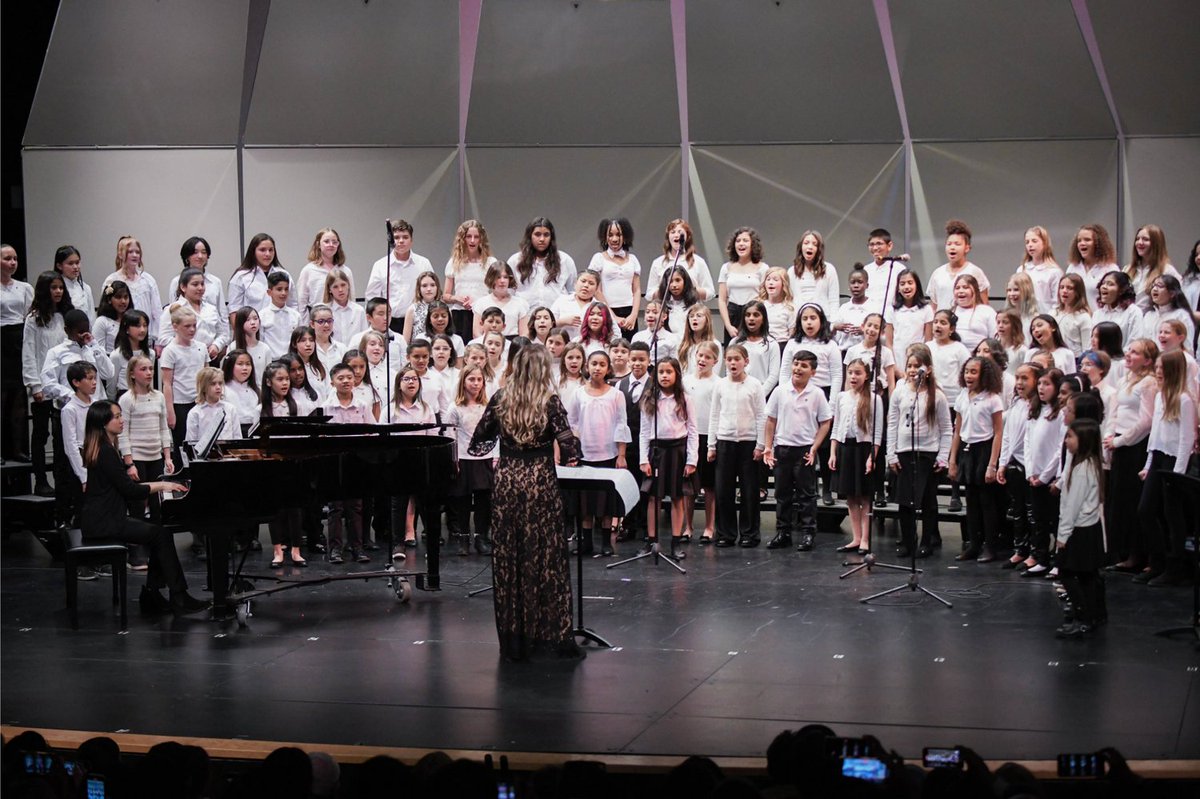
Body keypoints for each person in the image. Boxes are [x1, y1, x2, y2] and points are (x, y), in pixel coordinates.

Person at [467, 344, 581, 662]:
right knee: (545, 557)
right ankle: (550, 634)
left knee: (511, 556)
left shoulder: (501, 397)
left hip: (508, 481)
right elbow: (569, 447)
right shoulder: (549, 401)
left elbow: (478, 442)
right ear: (543, 369)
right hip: (540, 483)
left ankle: (516, 638)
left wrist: (510, 440)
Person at [79, 400, 207, 615]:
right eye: (117, 416)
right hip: (105, 522)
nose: (122, 420)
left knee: (159, 534)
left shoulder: (104, 447)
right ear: (103, 423)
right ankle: (176, 596)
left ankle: (154, 594)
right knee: (160, 534)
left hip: (103, 518)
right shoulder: (106, 452)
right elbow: (131, 491)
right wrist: (163, 485)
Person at [1134, 350, 1197, 586]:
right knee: (1146, 510)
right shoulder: (1161, 397)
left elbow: (1186, 439)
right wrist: (1148, 463)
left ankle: (1175, 566)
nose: (1158, 372)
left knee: (1173, 515)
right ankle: (1157, 561)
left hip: (1174, 463)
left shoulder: (1184, 399)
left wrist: (1178, 472)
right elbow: (1156, 435)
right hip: (1159, 458)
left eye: (1162, 368)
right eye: (1157, 367)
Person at [762, 349, 832, 552]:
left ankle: (808, 533)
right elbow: (771, 420)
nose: (798, 368)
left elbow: (825, 422)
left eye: (803, 366)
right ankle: (783, 532)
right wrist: (768, 446)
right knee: (782, 494)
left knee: (807, 495)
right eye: (796, 364)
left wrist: (814, 446)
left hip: (804, 451)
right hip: (782, 448)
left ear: (813, 371)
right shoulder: (780, 391)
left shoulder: (817, 393)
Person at [887, 344, 952, 558]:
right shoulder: (900, 390)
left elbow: (946, 428)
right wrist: (891, 453)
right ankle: (908, 541)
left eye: (918, 366)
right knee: (905, 501)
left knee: (927, 501)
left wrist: (943, 457)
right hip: (905, 451)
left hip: (927, 453)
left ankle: (927, 541)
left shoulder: (937, 395)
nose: (913, 370)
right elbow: (893, 422)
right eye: (910, 366)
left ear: (928, 369)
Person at [567, 350, 630, 557]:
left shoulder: (616, 394)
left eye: (602, 364)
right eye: (593, 363)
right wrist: (573, 452)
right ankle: (586, 542)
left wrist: (621, 455)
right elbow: (573, 423)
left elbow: (622, 424)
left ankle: (605, 542)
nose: (597, 368)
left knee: (605, 502)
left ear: (608, 368)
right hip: (585, 455)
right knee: (585, 502)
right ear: (587, 366)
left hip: (608, 454)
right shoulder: (578, 393)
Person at [781, 303, 842, 505]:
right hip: (797, 395)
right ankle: (808, 488)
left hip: (821, 394)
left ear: (821, 321)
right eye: (805, 318)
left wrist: (831, 404)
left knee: (822, 446)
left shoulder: (830, 345)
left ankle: (826, 488)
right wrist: (785, 397)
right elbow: (784, 373)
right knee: (802, 445)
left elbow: (836, 376)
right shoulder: (792, 344)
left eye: (813, 318)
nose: (809, 322)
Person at [708, 344, 766, 547]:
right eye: (729, 359)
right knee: (724, 490)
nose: (733, 363)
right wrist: (711, 445)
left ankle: (750, 533)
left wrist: (761, 444)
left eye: (737, 359)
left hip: (748, 443)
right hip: (725, 441)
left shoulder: (755, 385)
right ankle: (725, 533)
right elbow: (714, 414)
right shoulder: (720, 385)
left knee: (749, 490)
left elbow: (761, 415)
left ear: (746, 361)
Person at [948, 355, 1005, 562]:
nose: (969, 375)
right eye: (967, 371)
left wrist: (992, 464)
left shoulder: (992, 398)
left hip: (985, 449)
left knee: (986, 502)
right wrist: (952, 460)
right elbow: (957, 430)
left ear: (984, 375)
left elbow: (998, 432)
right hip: (967, 450)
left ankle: (990, 546)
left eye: (974, 372)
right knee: (970, 501)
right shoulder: (963, 396)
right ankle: (974, 544)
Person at [638, 356, 696, 558]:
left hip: (678, 451)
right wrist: (643, 459)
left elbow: (692, 430)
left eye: (669, 372)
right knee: (654, 497)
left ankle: (675, 543)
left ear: (677, 374)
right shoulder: (649, 398)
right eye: (661, 372)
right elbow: (644, 431)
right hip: (656, 451)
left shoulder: (685, 399)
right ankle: (652, 542)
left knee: (678, 497)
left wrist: (691, 460)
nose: (664, 375)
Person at [1055, 419, 1106, 637]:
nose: (1066, 441)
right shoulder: (1091, 463)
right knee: (1087, 575)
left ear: (1083, 440)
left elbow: (1072, 505)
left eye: (1070, 436)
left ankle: (1082, 616)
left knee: (1067, 573)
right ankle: (1095, 614)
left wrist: (1062, 535)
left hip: (1079, 529)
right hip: (1089, 527)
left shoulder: (1082, 470)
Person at [21, 270, 70, 493]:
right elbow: (29, 353)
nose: (58, 291)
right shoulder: (33, 319)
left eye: (61, 287)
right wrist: (35, 385)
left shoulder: (64, 317)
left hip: (62, 386)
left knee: (61, 436)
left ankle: (63, 482)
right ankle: (41, 480)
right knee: (41, 434)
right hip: (41, 385)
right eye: (54, 288)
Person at [829, 359, 883, 554]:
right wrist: (833, 452)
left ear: (866, 375)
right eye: (850, 372)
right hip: (846, 449)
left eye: (858, 373)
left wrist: (872, 457)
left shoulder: (874, 399)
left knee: (865, 496)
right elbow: (836, 428)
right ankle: (856, 537)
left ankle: (866, 539)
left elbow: (877, 433)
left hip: (863, 450)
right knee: (850, 497)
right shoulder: (841, 397)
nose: (853, 376)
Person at [445, 365, 495, 556]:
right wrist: (453, 459)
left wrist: (495, 456)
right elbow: (451, 435)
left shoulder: (487, 406)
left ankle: (481, 537)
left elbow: (494, 434)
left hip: (484, 458)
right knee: (463, 500)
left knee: (484, 499)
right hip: (464, 459)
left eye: (479, 380)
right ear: (463, 382)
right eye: (471, 379)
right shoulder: (455, 407)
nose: (475, 383)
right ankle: (463, 538)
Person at [996, 362, 1041, 568]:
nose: (1020, 383)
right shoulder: (1016, 403)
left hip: (1030, 467)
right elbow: (1007, 436)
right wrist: (1002, 462)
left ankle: (1035, 552)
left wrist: (1031, 468)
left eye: (1025, 378)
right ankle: (1019, 549)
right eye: (1018, 378)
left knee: (1033, 513)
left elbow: (1032, 441)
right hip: (1014, 464)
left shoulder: (1038, 407)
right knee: (1018, 511)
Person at [1023, 368, 1066, 575]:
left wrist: (1046, 476)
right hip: (1034, 475)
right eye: (1039, 383)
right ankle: (1041, 557)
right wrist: (1031, 471)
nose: (1041, 388)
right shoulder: (1035, 410)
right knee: (1038, 519)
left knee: (1056, 520)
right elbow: (1028, 442)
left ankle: (1059, 561)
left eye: (1047, 384)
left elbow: (1060, 448)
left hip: (1051, 477)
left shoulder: (1061, 413)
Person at [682, 341, 719, 543]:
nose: (702, 360)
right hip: (689, 436)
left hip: (708, 436)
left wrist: (712, 442)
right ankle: (688, 526)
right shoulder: (686, 381)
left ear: (715, 361)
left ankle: (709, 527)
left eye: (707, 357)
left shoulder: (717, 383)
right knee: (688, 486)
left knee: (709, 486)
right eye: (700, 355)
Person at [159, 306, 209, 458]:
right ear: (175, 326)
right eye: (187, 326)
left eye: (194, 325)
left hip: (200, 401)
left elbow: (207, 376)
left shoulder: (201, 347)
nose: (192, 329)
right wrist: (170, 411)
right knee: (182, 443)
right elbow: (167, 383)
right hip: (180, 404)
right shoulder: (170, 350)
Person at [1, 245, 32, 463]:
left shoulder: (24, 287)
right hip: (1, 339)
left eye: (15, 258)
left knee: (19, 399)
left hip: (19, 338)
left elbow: (28, 315)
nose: (12, 262)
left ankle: (18, 448)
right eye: (7, 258)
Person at [443, 219, 500, 338]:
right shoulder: (454, 262)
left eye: (476, 237)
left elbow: (497, 292)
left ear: (481, 239)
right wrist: (457, 299)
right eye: (468, 236)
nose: (472, 241)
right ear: (462, 239)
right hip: (460, 314)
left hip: (483, 313)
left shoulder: (490, 262)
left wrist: (478, 302)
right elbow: (446, 295)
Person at [157, 267, 228, 360]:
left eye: (202, 284)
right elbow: (164, 338)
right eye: (195, 284)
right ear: (183, 287)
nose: (200, 288)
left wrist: (216, 345)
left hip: (209, 358)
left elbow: (222, 334)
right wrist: (188, 346)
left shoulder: (211, 309)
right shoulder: (173, 309)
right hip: (183, 359)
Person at [509, 217, 577, 310]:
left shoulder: (564, 260)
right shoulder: (515, 260)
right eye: (537, 234)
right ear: (530, 236)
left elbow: (572, 292)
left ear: (551, 237)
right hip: (525, 316)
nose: (542, 239)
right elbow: (509, 292)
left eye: (546, 235)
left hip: (557, 317)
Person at [589, 217, 641, 341]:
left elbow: (637, 290)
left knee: (629, 349)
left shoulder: (633, 259)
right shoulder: (598, 258)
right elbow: (597, 291)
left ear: (625, 237)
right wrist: (613, 317)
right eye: (610, 235)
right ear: (605, 237)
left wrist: (633, 315)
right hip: (606, 310)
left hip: (629, 312)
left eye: (619, 235)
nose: (614, 239)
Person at [102, 236, 162, 340]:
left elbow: (156, 311)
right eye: (130, 252)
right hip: (120, 337)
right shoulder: (111, 280)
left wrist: (157, 339)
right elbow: (106, 310)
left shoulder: (147, 280)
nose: (134, 255)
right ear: (120, 254)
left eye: (137, 252)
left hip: (145, 337)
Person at [717, 226, 768, 342]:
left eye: (745, 241)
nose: (741, 244)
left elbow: (765, 297)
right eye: (738, 241)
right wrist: (728, 325)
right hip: (733, 313)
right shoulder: (726, 268)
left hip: (753, 313)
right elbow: (722, 300)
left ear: (753, 244)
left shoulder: (763, 268)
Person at [646, 219, 714, 304]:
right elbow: (649, 294)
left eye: (680, 232)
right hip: (666, 313)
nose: (676, 235)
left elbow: (710, 293)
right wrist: (665, 289)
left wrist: (690, 288)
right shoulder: (658, 263)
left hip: (691, 313)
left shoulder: (698, 262)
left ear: (687, 236)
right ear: (668, 237)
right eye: (673, 232)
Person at [227, 233, 295, 318]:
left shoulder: (284, 274)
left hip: (280, 327)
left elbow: (292, 304)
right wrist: (239, 331)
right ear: (253, 251)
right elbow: (234, 310)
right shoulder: (241, 276)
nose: (268, 254)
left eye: (271, 250)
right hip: (252, 328)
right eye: (262, 250)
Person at [928, 220, 990, 311]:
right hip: (943, 323)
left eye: (957, 244)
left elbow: (984, 306)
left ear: (967, 248)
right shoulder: (937, 273)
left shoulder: (975, 272)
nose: (952, 247)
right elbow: (934, 307)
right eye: (949, 244)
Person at [297, 228, 352, 324]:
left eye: (334, 242)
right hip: (318, 322)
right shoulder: (308, 270)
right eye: (326, 241)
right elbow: (301, 302)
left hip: (342, 321)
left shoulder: (345, 271)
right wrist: (305, 326)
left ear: (338, 245)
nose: (331, 245)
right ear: (318, 244)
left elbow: (351, 299)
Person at [1124, 224, 1180, 309]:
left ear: (1156, 244)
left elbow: (1178, 300)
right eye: (1137, 239)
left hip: (1152, 320)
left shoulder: (1167, 270)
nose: (1140, 242)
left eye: (1145, 239)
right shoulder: (1127, 269)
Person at [1066, 223, 1120, 311]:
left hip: (1099, 320)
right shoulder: (1072, 268)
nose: (1082, 243)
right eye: (1079, 240)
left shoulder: (1110, 269)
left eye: (1087, 240)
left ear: (1098, 243)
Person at [169, 236, 226, 316]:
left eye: (204, 252)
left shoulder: (215, 282)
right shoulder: (177, 281)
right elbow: (173, 312)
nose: (200, 256)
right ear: (187, 257)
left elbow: (222, 313)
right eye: (195, 252)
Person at [789, 230, 840, 317]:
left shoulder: (829, 269)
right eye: (806, 243)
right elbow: (789, 300)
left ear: (819, 249)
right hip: (799, 320)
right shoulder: (792, 271)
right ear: (801, 247)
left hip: (823, 320)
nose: (810, 247)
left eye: (814, 244)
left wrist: (832, 323)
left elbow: (834, 300)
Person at [474, 262, 529, 339]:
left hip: (513, 345)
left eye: (505, 277)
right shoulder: (481, 303)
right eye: (498, 277)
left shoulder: (520, 303)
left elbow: (524, 334)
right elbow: (477, 333)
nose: (502, 281)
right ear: (491, 279)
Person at [888, 268, 932, 361]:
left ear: (917, 286)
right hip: (897, 359)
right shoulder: (892, 310)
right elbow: (889, 343)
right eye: (902, 284)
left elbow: (928, 341)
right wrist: (894, 367)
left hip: (918, 360)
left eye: (910, 283)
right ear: (898, 289)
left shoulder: (926, 309)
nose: (906, 287)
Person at [1017, 225, 1063, 314]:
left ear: (1044, 243)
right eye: (1027, 242)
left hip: (1046, 318)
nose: (1030, 245)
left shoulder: (1054, 271)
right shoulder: (1022, 270)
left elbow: (1057, 302)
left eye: (1034, 241)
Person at [951, 274, 996, 354]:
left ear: (975, 290)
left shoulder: (987, 311)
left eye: (965, 287)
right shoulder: (950, 313)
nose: (961, 291)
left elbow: (995, 339)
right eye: (957, 288)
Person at [325, 267, 366, 348]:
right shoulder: (326, 311)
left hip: (355, 355)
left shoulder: (359, 311)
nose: (340, 290)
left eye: (343, 285)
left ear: (348, 286)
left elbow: (364, 337)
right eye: (335, 287)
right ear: (329, 289)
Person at [55, 245, 96, 324]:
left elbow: (91, 317)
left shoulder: (85, 288)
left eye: (77, 263)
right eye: (70, 263)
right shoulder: (57, 289)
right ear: (59, 266)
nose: (75, 267)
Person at [91, 280, 131, 354]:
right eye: (118, 297)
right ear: (109, 299)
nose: (123, 301)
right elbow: (98, 351)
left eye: (126, 297)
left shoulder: (131, 321)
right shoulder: (102, 321)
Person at [757, 266, 795, 341]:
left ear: (784, 284)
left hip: (782, 343)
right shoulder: (759, 305)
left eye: (775, 280)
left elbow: (792, 333)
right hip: (763, 344)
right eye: (768, 279)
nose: (771, 282)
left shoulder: (790, 308)